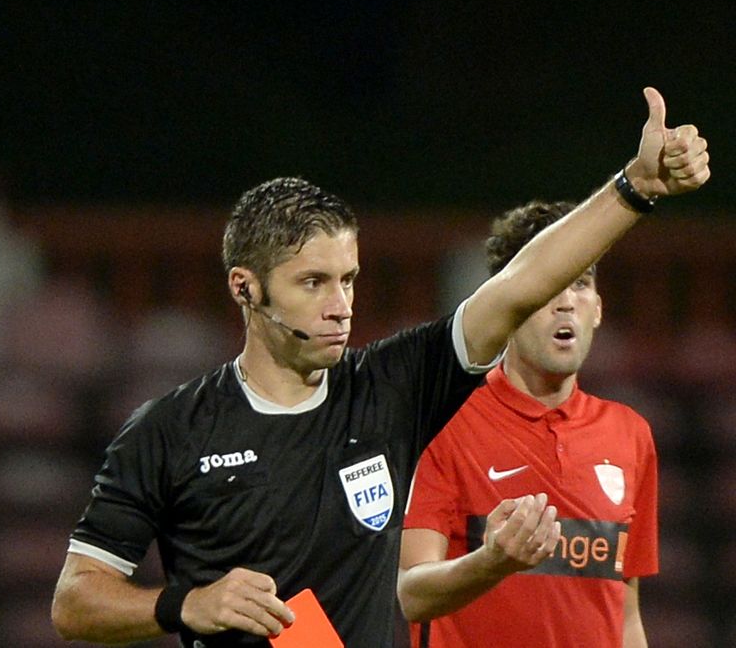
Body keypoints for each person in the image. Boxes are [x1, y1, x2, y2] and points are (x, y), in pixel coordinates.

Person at [50, 88, 707, 647]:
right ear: (246, 288)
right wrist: (183, 603)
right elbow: (75, 600)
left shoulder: (391, 390)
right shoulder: (170, 429)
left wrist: (634, 190)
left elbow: (517, 289)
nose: (341, 306)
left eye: (349, 279)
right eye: (313, 282)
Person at [397, 200, 657, 647]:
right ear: (510, 303)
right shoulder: (445, 421)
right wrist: (492, 561)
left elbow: (625, 613)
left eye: (580, 283)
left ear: (597, 307)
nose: (566, 304)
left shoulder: (630, 434)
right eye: (551, 283)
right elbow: (409, 594)